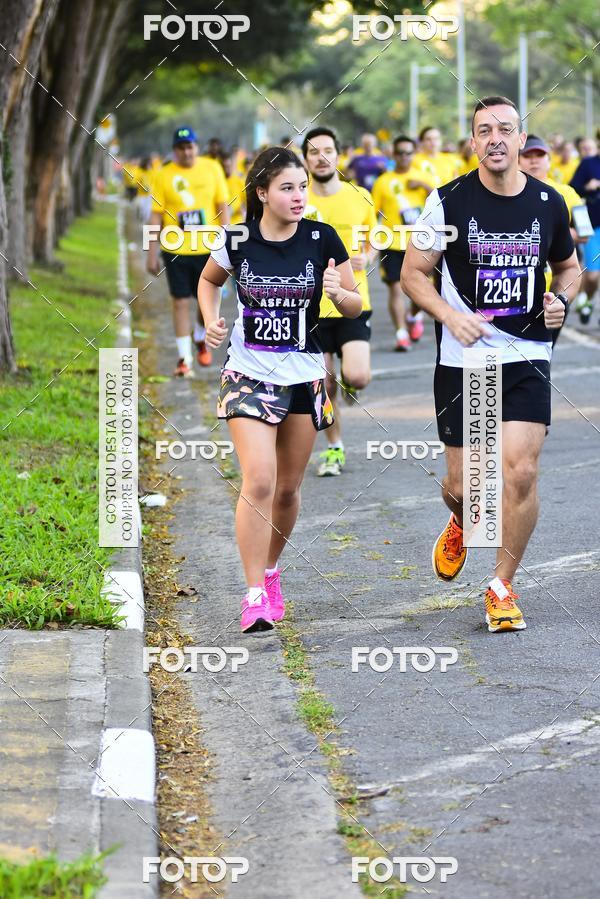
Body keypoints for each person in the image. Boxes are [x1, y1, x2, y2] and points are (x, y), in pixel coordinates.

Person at [401, 96, 580, 633]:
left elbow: (568, 267)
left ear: (522, 140)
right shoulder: (447, 202)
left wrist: (560, 301)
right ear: (473, 142)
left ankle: (502, 585)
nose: (496, 138)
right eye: (485, 130)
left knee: (520, 471)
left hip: (526, 353)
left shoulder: (549, 202)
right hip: (464, 358)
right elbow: (413, 273)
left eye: (506, 128)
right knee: (466, 489)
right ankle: (460, 520)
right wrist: (447, 315)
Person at [198, 147, 362, 632]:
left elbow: (353, 305)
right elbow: (208, 282)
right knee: (261, 481)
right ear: (262, 193)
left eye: (302, 187)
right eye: (287, 188)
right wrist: (211, 321)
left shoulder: (322, 238)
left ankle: (270, 572)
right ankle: (252, 596)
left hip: (304, 375)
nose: (298, 196)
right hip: (249, 372)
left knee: (288, 490)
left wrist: (339, 295)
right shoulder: (238, 239)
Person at [302, 126, 377, 477]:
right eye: (314, 152)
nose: (321, 157)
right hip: (312, 306)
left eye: (327, 150)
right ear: (305, 160)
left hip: (351, 299)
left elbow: (374, 240)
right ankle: (334, 448)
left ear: (338, 155)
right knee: (323, 383)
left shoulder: (359, 195)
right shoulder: (299, 199)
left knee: (358, 377)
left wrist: (368, 257)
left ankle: (350, 379)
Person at [147, 126, 229, 377]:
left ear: (197, 147)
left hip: (208, 247)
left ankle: (200, 336)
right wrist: (150, 251)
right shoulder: (163, 175)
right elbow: (155, 215)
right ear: (174, 151)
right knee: (180, 301)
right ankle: (184, 360)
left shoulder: (212, 168)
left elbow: (222, 206)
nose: (186, 152)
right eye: (181, 148)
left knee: (206, 302)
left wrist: (228, 245)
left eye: (190, 146)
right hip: (176, 247)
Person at [519, 135, 589, 336]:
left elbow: (584, 233)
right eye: (527, 155)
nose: (534, 160)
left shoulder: (566, 192)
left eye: (539, 155)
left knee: (545, 348)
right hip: (520, 287)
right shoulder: (508, 192)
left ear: (549, 160)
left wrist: (551, 236)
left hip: (556, 284)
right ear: (518, 160)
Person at [371, 135, 433, 351]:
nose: (405, 157)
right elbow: (372, 212)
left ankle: (414, 316)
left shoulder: (423, 176)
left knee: (419, 289)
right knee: (396, 289)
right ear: (393, 155)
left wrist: (424, 186)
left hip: (419, 243)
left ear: (413, 154)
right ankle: (401, 334)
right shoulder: (383, 182)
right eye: (400, 153)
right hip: (391, 242)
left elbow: (440, 203)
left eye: (409, 153)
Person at [570, 139, 600, 324]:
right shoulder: (588, 163)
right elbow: (572, 189)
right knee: (592, 274)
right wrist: (587, 187)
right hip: (593, 226)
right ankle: (587, 299)